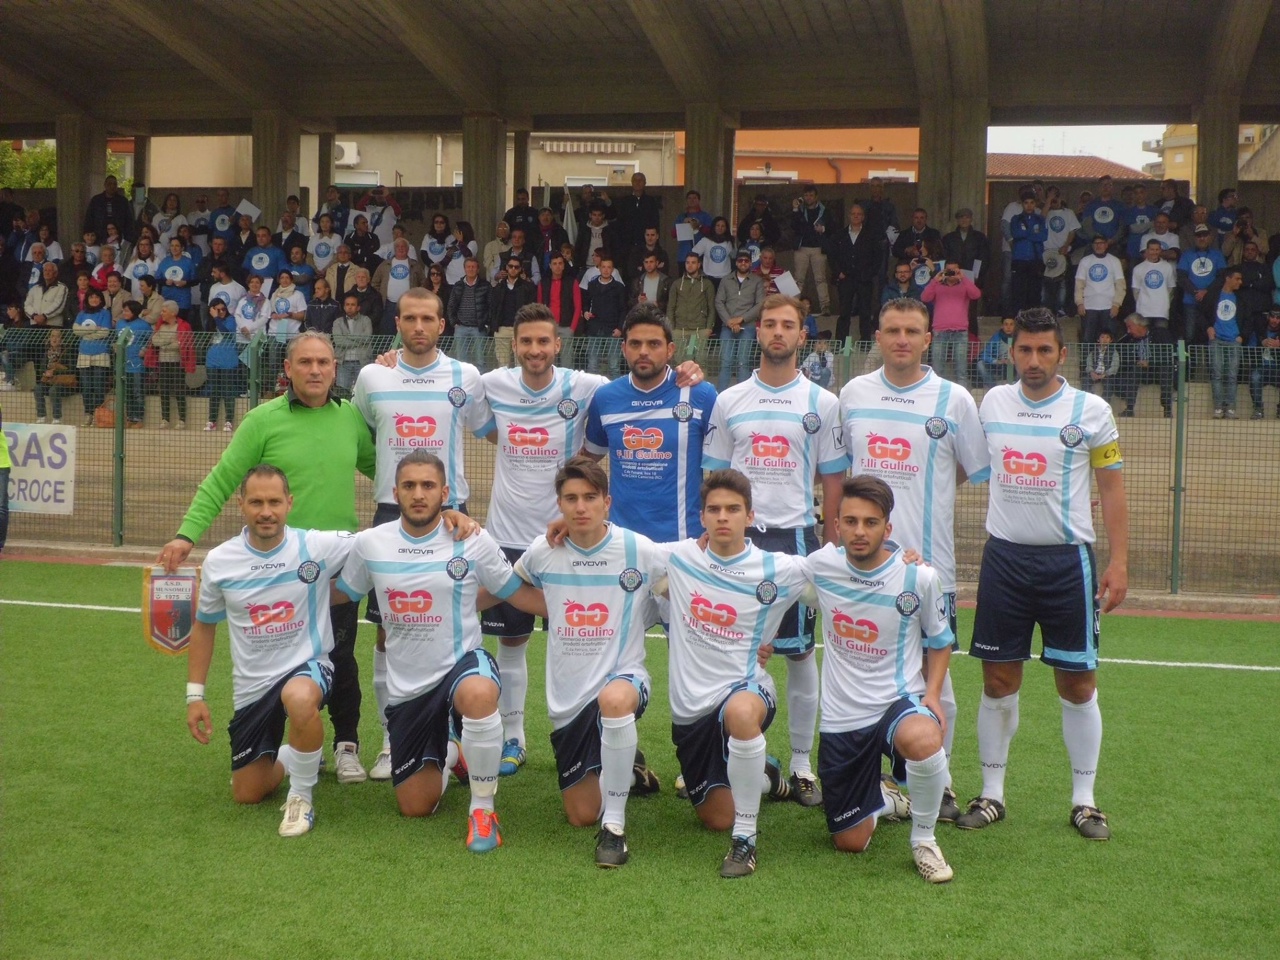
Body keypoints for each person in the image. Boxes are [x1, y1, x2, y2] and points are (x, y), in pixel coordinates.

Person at [158, 332, 378, 784]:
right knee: (281, 653)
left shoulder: (350, 418)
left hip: (333, 564)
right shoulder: (262, 420)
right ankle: (304, 743)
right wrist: (186, 535)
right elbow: (222, 480)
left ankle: (347, 745)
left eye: (323, 362)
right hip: (279, 565)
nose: (315, 371)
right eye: (305, 363)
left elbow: (385, 471)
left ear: (335, 368)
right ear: (289, 369)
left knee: (342, 654)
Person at [961, 308, 1128, 841]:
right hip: (1005, 559)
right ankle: (992, 795)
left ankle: (1085, 800)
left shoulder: (1092, 410)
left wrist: (1120, 562)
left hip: (1067, 563)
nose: (1034, 361)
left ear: (1062, 354)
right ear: (1012, 353)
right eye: (1025, 351)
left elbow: (1112, 489)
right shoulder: (993, 402)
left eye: (1044, 351)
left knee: (1078, 684)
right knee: (997, 680)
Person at [336, 451, 540, 852]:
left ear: (444, 493)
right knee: (416, 806)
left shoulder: (471, 539)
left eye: (428, 486)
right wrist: (283, 596)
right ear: (394, 492)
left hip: (462, 663)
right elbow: (344, 592)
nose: (418, 494)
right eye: (409, 486)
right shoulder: (371, 544)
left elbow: (513, 591)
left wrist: (570, 607)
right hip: (410, 688)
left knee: (478, 693)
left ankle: (482, 809)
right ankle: (451, 752)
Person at [839, 297, 988, 822]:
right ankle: (879, 776)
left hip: (931, 567)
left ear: (929, 338)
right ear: (877, 337)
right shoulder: (853, 393)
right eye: (892, 330)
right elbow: (843, 470)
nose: (901, 339)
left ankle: (937, 781)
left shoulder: (954, 400)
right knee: (867, 669)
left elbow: (970, 468)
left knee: (935, 680)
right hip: (863, 569)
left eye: (912, 331)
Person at [704, 294, 849, 806]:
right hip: (737, 541)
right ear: (757, 331)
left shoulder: (822, 403)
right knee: (733, 651)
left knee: (799, 652)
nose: (778, 333)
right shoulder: (730, 399)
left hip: (795, 538)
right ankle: (738, 754)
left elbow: (834, 478)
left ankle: (803, 764)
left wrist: (830, 543)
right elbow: (715, 475)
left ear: (802, 335)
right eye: (770, 324)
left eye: (788, 325)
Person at [351, 289, 490, 779]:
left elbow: (487, 426)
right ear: (398, 321)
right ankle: (395, 738)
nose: (418, 326)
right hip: (393, 512)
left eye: (427, 318)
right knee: (391, 631)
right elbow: (367, 430)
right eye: (409, 318)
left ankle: (456, 737)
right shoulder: (373, 375)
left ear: (441, 323)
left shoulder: (466, 377)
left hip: (453, 514)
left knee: (453, 622)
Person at [478, 305, 612, 778]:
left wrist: (685, 372)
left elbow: (634, 390)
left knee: (579, 642)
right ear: (515, 346)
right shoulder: (492, 385)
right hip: (508, 539)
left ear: (558, 345)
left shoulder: (586, 386)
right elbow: (487, 428)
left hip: (568, 540)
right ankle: (514, 738)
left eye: (544, 342)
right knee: (510, 643)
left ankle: (588, 737)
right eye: (526, 342)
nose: (535, 350)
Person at [186, 465, 355, 837]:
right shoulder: (219, 562)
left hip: (309, 666)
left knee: (298, 698)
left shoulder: (314, 545)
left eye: (275, 502)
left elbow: (382, 539)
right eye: (257, 502)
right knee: (247, 793)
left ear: (289, 503)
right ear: (241, 504)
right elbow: (204, 626)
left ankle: (300, 799)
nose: (266, 511)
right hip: (253, 685)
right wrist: (194, 696)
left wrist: (449, 518)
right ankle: (298, 754)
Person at [655, 469, 807, 877]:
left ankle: (745, 840)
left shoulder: (777, 568)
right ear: (701, 517)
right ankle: (766, 775)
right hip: (692, 712)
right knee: (714, 818)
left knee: (741, 714)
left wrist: (902, 555)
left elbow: (843, 567)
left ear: (750, 515)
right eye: (714, 509)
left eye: (733, 509)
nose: (723, 517)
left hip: (747, 690)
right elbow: (612, 546)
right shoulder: (680, 558)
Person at [805, 475, 956, 882]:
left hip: (897, 701)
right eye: (850, 521)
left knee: (924, 738)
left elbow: (940, 641)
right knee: (849, 843)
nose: (859, 531)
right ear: (836, 526)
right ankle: (887, 798)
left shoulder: (918, 578)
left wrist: (934, 697)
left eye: (871, 522)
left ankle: (924, 840)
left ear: (887, 529)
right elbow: (762, 579)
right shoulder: (819, 566)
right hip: (842, 717)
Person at [513, 456, 659, 867]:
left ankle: (614, 827)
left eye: (590, 498)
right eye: (571, 499)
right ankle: (628, 768)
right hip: (569, 697)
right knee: (579, 815)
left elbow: (694, 577)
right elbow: (510, 585)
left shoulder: (638, 549)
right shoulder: (544, 550)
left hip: (624, 679)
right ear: (558, 504)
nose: (580, 507)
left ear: (606, 502)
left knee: (614, 703)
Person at [584, 303, 717, 542]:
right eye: (635, 344)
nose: (643, 351)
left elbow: (723, 467)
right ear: (624, 348)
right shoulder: (605, 398)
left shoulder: (700, 395)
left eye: (654, 344)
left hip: (684, 541)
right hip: (622, 542)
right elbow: (587, 461)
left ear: (670, 350)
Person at [920, 263, 981, 386]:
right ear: (944, 271)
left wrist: (963, 278)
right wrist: (935, 280)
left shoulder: (964, 284)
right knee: (937, 371)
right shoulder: (937, 285)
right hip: (939, 332)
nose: (951, 273)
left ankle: (962, 402)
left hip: (960, 332)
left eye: (954, 270)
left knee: (961, 371)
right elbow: (925, 298)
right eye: (949, 270)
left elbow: (976, 294)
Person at [714, 249, 764, 390]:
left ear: (750, 263)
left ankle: (744, 398)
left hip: (747, 326)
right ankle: (721, 397)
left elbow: (760, 304)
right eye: (740, 260)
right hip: (727, 326)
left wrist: (741, 319)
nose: (743, 263)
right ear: (736, 262)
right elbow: (719, 301)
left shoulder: (757, 281)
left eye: (746, 260)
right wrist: (729, 321)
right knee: (726, 362)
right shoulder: (726, 280)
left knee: (743, 362)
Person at [830, 204, 880, 343]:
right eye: (853, 214)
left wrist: (869, 274)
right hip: (845, 279)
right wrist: (838, 272)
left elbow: (878, 257)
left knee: (865, 312)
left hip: (864, 279)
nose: (856, 216)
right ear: (849, 216)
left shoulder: (871, 235)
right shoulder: (839, 235)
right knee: (844, 312)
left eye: (859, 214)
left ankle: (864, 342)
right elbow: (832, 256)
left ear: (863, 217)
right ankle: (840, 342)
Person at [1201, 266, 1244, 419]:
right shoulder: (1213, 295)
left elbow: (1247, 317)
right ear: (1228, 278)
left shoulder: (1241, 297)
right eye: (1237, 278)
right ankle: (1218, 408)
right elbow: (1202, 313)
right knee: (1217, 374)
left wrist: (1242, 335)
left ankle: (1231, 408)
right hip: (1217, 339)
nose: (1240, 282)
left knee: (1232, 375)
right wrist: (1208, 328)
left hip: (1234, 339)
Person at [1114, 313, 1172, 418]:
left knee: (1166, 370)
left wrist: (1150, 362)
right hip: (1141, 370)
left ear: (1139, 325)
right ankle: (1130, 409)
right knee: (1134, 370)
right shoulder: (1129, 339)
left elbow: (1167, 355)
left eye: (1129, 327)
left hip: (1158, 368)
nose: (1128, 331)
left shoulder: (1159, 333)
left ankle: (1167, 409)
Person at [70, 288, 112, 425]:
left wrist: (86, 334)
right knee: (86, 387)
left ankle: (98, 414)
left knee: (99, 386)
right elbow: (75, 330)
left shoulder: (105, 313)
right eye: (91, 297)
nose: (94, 300)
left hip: (100, 353)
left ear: (101, 299)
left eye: (97, 297)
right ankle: (88, 413)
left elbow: (105, 333)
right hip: (84, 353)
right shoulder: (82, 313)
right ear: (87, 300)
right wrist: (94, 329)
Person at [1075, 234, 1126, 344]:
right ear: (1092, 246)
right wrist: (1079, 303)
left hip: (1109, 306)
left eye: (1101, 243)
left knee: (1109, 339)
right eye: (1096, 243)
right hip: (1089, 306)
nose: (1099, 246)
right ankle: (1087, 361)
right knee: (1087, 338)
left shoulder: (1114, 261)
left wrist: (1117, 304)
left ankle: (1109, 361)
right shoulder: (1085, 261)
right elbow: (1079, 284)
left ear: (1106, 245)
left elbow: (1120, 284)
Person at [152, 300, 194, 428]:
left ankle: (182, 419)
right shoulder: (161, 326)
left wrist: (165, 343)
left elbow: (181, 344)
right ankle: (165, 418)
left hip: (177, 362)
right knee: (163, 390)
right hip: (163, 361)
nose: (161, 313)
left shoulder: (183, 325)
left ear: (173, 312)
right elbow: (155, 341)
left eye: (164, 311)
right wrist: (170, 342)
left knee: (179, 390)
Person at [582, 256, 627, 376]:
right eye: (603, 267)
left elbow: (623, 309)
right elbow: (585, 302)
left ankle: (615, 394)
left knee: (614, 365)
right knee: (592, 365)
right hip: (594, 327)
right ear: (599, 268)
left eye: (609, 267)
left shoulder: (619, 287)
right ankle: (592, 393)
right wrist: (586, 311)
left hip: (612, 329)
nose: (606, 270)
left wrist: (620, 328)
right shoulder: (592, 284)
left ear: (613, 270)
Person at [490, 255, 536, 368]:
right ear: (506, 267)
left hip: (521, 329)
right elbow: (493, 308)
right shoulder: (498, 287)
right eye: (510, 266)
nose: (513, 269)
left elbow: (532, 309)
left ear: (520, 269)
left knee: (521, 365)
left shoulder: (528, 287)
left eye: (516, 267)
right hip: (502, 329)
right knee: (502, 365)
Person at [790, 186, 831, 315]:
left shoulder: (824, 210)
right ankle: (793, 307)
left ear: (816, 196)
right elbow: (794, 226)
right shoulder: (800, 210)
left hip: (818, 248)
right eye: (806, 195)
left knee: (820, 279)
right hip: (802, 248)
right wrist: (795, 209)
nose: (808, 198)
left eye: (811, 195)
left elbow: (833, 226)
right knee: (798, 279)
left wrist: (823, 229)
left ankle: (825, 307)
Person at [204, 298, 240, 431]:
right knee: (214, 391)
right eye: (218, 310)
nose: (221, 312)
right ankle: (212, 420)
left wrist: (217, 318)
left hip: (228, 361)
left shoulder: (231, 320)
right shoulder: (210, 322)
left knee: (228, 391)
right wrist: (213, 319)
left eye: (223, 309)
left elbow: (226, 333)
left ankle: (229, 420)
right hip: (212, 360)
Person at [113, 300, 151, 427]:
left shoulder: (144, 325)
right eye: (123, 310)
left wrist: (144, 350)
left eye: (127, 311)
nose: (124, 313)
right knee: (127, 392)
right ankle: (129, 417)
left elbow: (151, 340)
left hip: (136, 364)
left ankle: (138, 418)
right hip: (122, 363)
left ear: (134, 312)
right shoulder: (120, 324)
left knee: (137, 391)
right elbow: (116, 338)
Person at [666, 252, 716, 342]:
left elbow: (711, 307)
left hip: (699, 330)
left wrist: (708, 328)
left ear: (699, 265)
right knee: (681, 356)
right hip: (679, 330)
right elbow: (670, 307)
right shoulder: (677, 283)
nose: (690, 265)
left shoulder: (707, 284)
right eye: (687, 262)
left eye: (693, 262)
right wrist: (672, 328)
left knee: (696, 355)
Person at [1131, 239, 1176, 335]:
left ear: (1160, 250)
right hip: (1143, 311)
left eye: (1157, 249)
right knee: (1143, 337)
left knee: (1161, 338)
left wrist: (1164, 302)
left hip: (1161, 311)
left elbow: (1171, 289)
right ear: (1147, 250)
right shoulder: (1138, 268)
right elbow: (1136, 291)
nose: (1154, 252)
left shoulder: (1167, 267)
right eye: (1152, 249)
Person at [332, 293, 373, 393]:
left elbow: (366, 338)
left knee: (362, 391)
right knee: (342, 392)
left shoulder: (366, 320)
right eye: (347, 304)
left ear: (358, 307)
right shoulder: (338, 322)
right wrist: (358, 340)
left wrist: (349, 336)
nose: (349, 307)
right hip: (343, 362)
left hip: (362, 361)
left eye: (352, 305)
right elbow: (339, 341)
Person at [1248, 308, 1280, 419]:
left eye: (1278, 318)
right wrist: (1262, 343)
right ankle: (1258, 409)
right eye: (1272, 317)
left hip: (1277, 369)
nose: (1275, 320)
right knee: (1255, 376)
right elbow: (1249, 349)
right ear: (1268, 317)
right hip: (1261, 367)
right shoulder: (1260, 330)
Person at [691, 218, 735, 288]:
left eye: (723, 226)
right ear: (714, 226)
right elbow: (693, 255)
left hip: (725, 277)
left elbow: (734, 257)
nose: (720, 228)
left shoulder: (729, 241)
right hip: (708, 277)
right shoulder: (706, 240)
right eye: (718, 225)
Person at [978, 316, 1016, 387]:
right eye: (1006, 324)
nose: (1008, 327)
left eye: (1011, 324)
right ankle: (993, 388)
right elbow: (984, 355)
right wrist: (997, 361)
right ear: (1002, 326)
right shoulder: (996, 337)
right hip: (1000, 366)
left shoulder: (1019, 337)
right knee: (980, 364)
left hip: (1015, 366)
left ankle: (1016, 386)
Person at [1085, 329, 1120, 401]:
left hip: (1107, 375)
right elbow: (1089, 363)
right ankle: (1090, 401)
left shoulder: (1113, 352)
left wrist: (1104, 374)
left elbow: (1115, 366)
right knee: (1085, 381)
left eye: (1107, 337)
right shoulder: (1093, 350)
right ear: (1098, 339)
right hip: (1095, 373)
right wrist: (1092, 372)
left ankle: (1104, 404)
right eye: (1102, 337)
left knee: (1109, 385)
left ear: (1111, 340)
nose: (1105, 339)